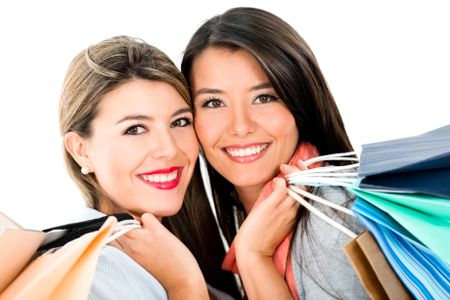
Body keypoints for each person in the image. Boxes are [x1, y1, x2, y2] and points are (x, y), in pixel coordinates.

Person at [181, 7, 368, 299]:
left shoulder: (333, 219)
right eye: (214, 103)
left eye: (264, 97)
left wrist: (254, 256)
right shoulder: (246, 215)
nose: (240, 126)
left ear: (299, 105)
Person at [59, 35, 219, 299]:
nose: (169, 150)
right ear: (81, 150)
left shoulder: (179, 248)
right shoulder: (85, 279)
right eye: (135, 129)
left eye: (179, 122)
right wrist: (185, 285)